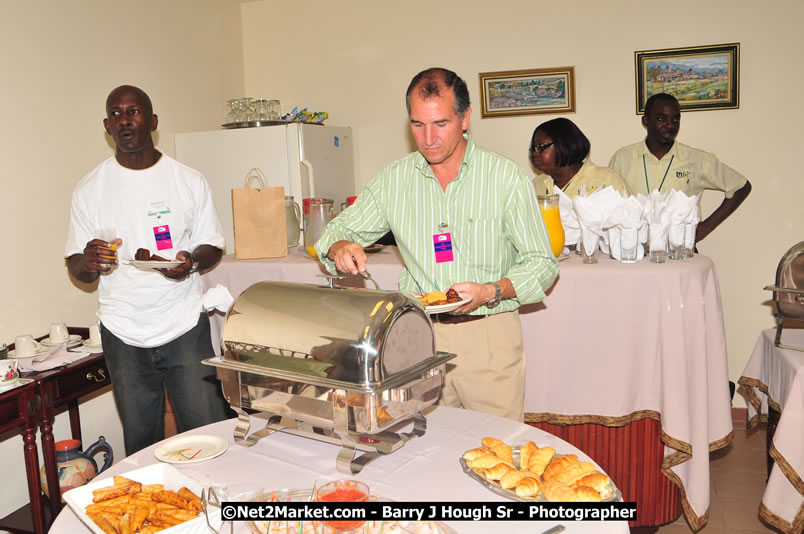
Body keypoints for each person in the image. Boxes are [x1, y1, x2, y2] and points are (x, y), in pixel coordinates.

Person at [314, 68, 559, 422]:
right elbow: (334, 234)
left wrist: (491, 291)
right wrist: (340, 247)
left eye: (440, 123)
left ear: (465, 118)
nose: (428, 138)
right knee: (421, 448)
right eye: (417, 124)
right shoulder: (394, 180)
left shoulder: (504, 178)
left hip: (488, 334)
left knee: (495, 451)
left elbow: (542, 262)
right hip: (419, 336)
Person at [65, 85, 232, 455]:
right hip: (122, 331)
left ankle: (219, 508)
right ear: (107, 126)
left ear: (152, 121)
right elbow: (78, 267)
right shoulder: (89, 189)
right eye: (116, 113)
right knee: (141, 445)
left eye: (134, 111)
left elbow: (212, 246)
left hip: (183, 323)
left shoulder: (188, 180)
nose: (125, 120)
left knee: (209, 433)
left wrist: (189, 262)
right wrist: (89, 262)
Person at [608, 93, 751, 243]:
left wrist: (707, 227)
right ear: (645, 121)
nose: (670, 125)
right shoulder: (623, 158)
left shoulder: (697, 159)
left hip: (680, 252)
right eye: (662, 118)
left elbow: (741, 186)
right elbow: (609, 204)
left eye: (676, 119)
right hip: (635, 251)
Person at [530, 117, 630, 198]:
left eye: (541, 147)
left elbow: (629, 219)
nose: (535, 153)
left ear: (565, 144)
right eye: (534, 149)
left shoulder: (607, 180)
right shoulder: (536, 185)